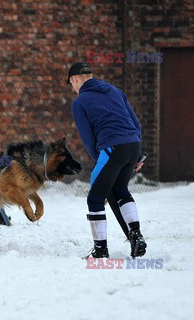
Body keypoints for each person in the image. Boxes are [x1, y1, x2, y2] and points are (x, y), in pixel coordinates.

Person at [67, 62, 147, 258]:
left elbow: (88, 138)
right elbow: (135, 124)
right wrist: (137, 154)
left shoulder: (80, 102)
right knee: (120, 190)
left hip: (112, 148)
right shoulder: (115, 91)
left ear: (74, 80)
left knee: (95, 198)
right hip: (132, 145)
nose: (74, 89)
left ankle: (101, 250)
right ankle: (136, 236)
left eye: (72, 85)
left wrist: (100, 161)